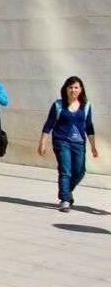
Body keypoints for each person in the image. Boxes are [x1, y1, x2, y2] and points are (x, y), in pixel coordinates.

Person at [38, 76, 98, 212]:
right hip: (61, 141)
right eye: (70, 87)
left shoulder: (86, 106)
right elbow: (48, 125)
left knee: (80, 171)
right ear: (65, 89)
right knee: (65, 170)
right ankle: (65, 199)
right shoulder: (58, 105)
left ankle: (67, 189)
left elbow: (89, 126)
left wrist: (93, 146)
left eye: (76, 87)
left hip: (79, 143)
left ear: (81, 89)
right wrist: (42, 143)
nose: (73, 90)